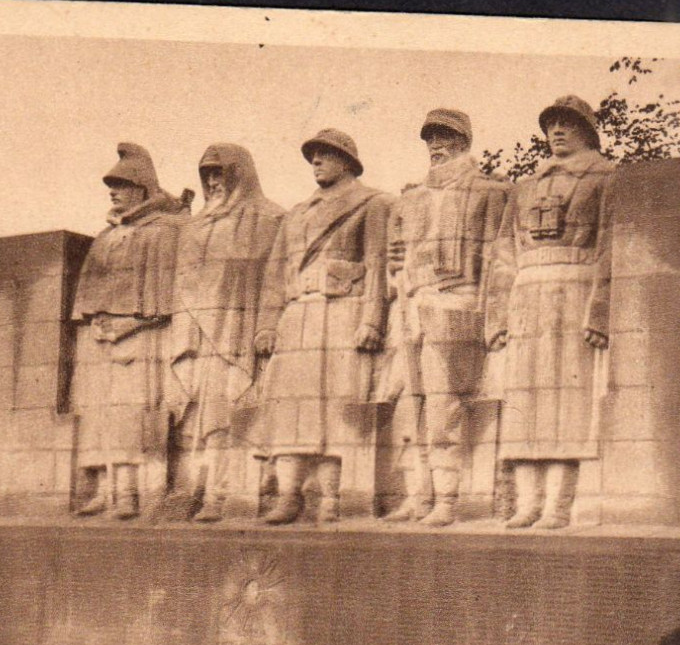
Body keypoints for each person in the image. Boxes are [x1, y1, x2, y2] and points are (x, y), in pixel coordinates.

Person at [485, 96, 615, 529]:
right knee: (524, 404)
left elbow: (610, 247)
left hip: (573, 292)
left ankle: (558, 505)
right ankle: (527, 503)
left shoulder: (606, 177)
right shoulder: (525, 186)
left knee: (567, 404)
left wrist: (600, 309)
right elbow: (504, 255)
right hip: (527, 297)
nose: (557, 130)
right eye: (551, 124)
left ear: (587, 129)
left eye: (568, 123)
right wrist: (498, 316)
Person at [253, 129, 391, 525]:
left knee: (334, 409)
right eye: (313, 155)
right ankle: (289, 495)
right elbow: (275, 275)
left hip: (341, 314)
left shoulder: (371, 203)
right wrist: (267, 325)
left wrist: (371, 321)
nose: (316, 161)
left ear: (348, 161)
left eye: (326, 154)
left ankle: (331, 496)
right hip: (297, 317)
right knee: (290, 412)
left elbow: (378, 264)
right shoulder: (295, 215)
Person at [383, 108, 511, 526]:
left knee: (444, 408)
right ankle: (417, 495)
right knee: (409, 408)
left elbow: (499, 260)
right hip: (413, 308)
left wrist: (494, 319)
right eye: (430, 138)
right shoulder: (411, 198)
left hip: (458, 305)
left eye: (445, 137)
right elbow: (396, 260)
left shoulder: (491, 193)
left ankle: (447, 498)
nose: (436, 145)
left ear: (464, 141)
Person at [166, 144, 283, 522]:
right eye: (207, 175)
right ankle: (199, 488)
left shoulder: (268, 217)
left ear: (239, 173)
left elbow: (275, 279)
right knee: (197, 415)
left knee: (230, 414)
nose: (213, 182)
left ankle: (224, 493)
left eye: (220, 173)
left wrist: (266, 325)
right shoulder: (194, 225)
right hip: (196, 336)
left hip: (239, 333)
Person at [69, 142, 185, 519]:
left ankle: (130, 494)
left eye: (121, 184)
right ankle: (105, 487)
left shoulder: (163, 231)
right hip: (101, 340)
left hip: (142, 340)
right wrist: (98, 324)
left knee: (132, 420)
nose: (113, 191)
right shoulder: (105, 237)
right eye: (111, 185)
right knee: (99, 417)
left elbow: (164, 302)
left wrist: (128, 324)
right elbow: (86, 299)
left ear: (142, 188)